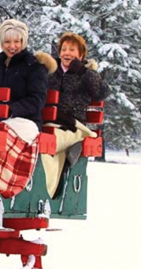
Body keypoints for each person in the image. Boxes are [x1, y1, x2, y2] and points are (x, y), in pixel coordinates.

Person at [0, 19, 49, 198]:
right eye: (7, 42)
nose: (12, 46)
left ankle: (3, 187)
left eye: (17, 42)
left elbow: (37, 99)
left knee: (0, 133)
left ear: (24, 42)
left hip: (27, 121)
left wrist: (11, 109)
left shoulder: (34, 67)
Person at [39, 32, 108, 196]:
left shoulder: (86, 74)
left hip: (73, 126)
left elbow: (103, 92)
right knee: (35, 141)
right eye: (63, 49)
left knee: (48, 143)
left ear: (81, 54)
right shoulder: (51, 71)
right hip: (48, 123)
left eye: (72, 50)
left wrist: (84, 72)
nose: (67, 53)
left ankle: (48, 191)